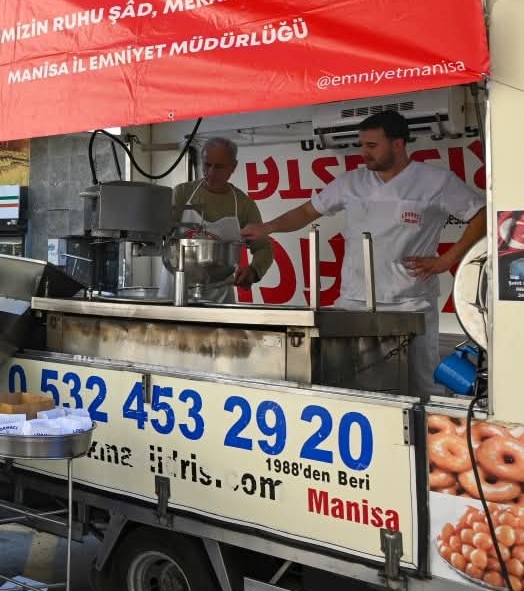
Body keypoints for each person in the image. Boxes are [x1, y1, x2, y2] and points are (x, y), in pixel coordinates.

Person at [242, 110, 486, 396]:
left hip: (410, 302)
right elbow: (307, 211)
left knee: (421, 383)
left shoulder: (435, 181)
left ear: (397, 144)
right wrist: (267, 228)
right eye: (362, 145)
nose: (364, 153)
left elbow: (481, 214)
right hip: (354, 301)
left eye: (372, 145)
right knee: (354, 380)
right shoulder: (351, 182)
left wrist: (448, 259)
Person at [169, 137, 274, 301]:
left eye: (219, 167)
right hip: (175, 285)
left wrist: (254, 271)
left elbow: (264, 248)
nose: (211, 172)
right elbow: (162, 233)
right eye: (207, 165)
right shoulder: (182, 193)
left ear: (233, 166)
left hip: (219, 291)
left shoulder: (244, 205)